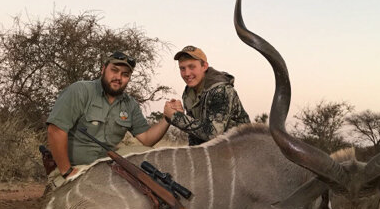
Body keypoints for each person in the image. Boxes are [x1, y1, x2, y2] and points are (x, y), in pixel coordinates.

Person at [46, 50, 171, 186]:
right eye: (114, 70)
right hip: (75, 167)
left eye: (125, 74)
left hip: (105, 168)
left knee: (148, 153)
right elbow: (56, 130)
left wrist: (167, 119)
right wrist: (67, 172)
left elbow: (147, 139)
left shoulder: (130, 104)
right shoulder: (80, 90)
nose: (118, 77)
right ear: (103, 70)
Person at [164, 45, 250, 146]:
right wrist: (175, 114)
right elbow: (194, 134)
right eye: (182, 68)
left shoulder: (221, 90)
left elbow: (213, 133)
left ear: (204, 66)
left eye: (192, 67)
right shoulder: (189, 92)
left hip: (241, 149)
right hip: (216, 151)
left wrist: (176, 117)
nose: (187, 73)